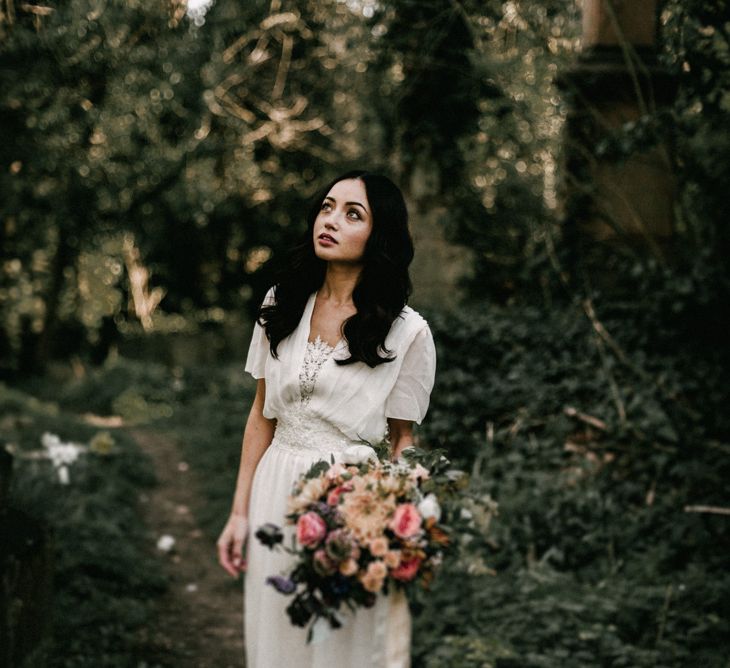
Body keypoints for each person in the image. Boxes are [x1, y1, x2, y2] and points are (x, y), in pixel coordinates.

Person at [216, 170, 437, 667]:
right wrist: (239, 512)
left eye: (352, 214)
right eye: (327, 207)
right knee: (278, 640)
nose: (331, 220)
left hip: (349, 504)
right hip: (275, 488)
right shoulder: (281, 304)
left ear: (379, 236)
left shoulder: (407, 332)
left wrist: (399, 524)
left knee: (344, 647)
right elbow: (261, 414)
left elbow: (404, 439)